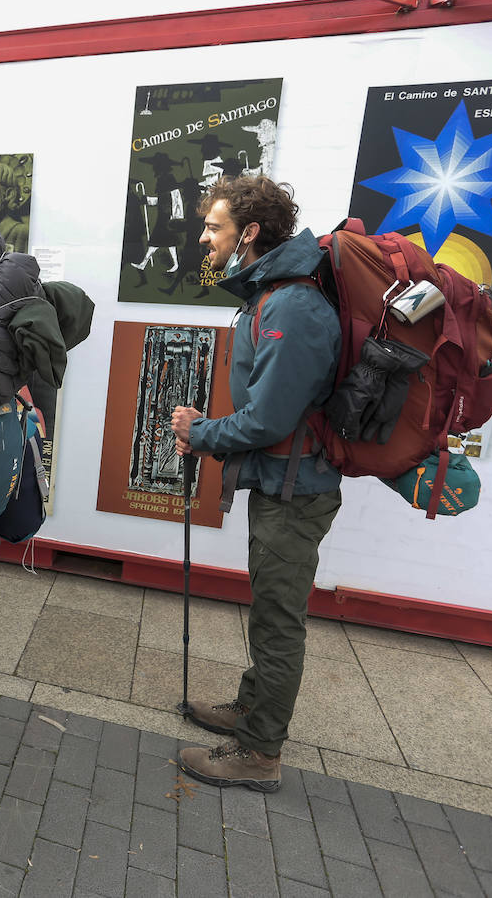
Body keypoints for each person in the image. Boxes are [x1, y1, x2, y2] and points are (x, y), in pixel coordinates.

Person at [169, 175, 341, 792]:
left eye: (213, 227)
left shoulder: (291, 305)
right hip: (282, 482)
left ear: (249, 232)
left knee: (276, 621)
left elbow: (270, 418)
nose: (204, 236)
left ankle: (260, 753)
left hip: (295, 490)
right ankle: (251, 709)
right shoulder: (269, 295)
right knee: (268, 609)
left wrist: (202, 432)